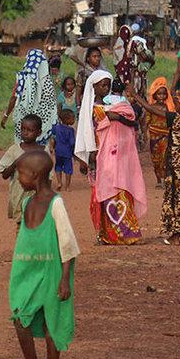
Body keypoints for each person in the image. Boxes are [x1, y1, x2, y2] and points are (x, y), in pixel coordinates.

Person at [9, 151, 78, 359]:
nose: (18, 179)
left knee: (51, 324)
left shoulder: (56, 204)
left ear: (35, 175)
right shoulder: (27, 202)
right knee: (20, 317)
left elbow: (67, 242)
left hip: (51, 272)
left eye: (21, 174)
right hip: (27, 271)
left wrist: (65, 278)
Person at [76, 71, 147, 245]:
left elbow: (132, 122)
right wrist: (87, 157)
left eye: (108, 85)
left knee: (120, 189)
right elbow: (86, 132)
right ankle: (104, 234)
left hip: (117, 156)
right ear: (93, 87)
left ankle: (127, 232)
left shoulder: (115, 105)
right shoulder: (90, 108)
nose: (106, 88)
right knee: (100, 195)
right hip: (98, 156)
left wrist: (117, 117)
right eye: (102, 85)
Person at [133, 83, 180, 244]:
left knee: (176, 198)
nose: (174, 104)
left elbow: (152, 110)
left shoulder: (177, 119)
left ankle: (176, 235)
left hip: (178, 169)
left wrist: (136, 96)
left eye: (177, 102)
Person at [0, 115, 50, 225]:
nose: (25, 133)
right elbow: (4, 174)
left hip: (37, 199)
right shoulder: (14, 150)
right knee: (21, 225)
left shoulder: (43, 152)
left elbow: (48, 178)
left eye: (30, 130)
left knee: (36, 225)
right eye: (23, 129)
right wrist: (16, 163)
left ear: (39, 132)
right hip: (18, 197)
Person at [2, 49, 58, 146]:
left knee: (22, 149)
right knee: (41, 150)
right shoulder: (48, 82)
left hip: (24, 123)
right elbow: (52, 107)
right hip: (43, 126)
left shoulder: (22, 79)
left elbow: (14, 98)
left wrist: (6, 116)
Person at [144, 78, 174, 189]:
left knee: (166, 158)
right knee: (155, 159)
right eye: (159, 94)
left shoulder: (168, 107)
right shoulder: (151, 108)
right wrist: (145, 134)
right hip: (154, 137)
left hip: (165, 136)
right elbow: (146, 121)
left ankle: (165, 179)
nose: (161, 96)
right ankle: (158, 180)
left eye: (163, 94)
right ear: (155, 95)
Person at [50, 109, 77, 191]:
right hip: (67, 152)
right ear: (67, 119)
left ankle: (59, 183)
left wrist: (52, 146)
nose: (74, 120)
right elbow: (72, 142)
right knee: (68, 169)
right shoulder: (70, 130)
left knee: (58, 166)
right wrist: (74, 153)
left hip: (58, 151)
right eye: (72, 118)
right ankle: (67, 186)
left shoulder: (57, 128)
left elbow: (52, 134)